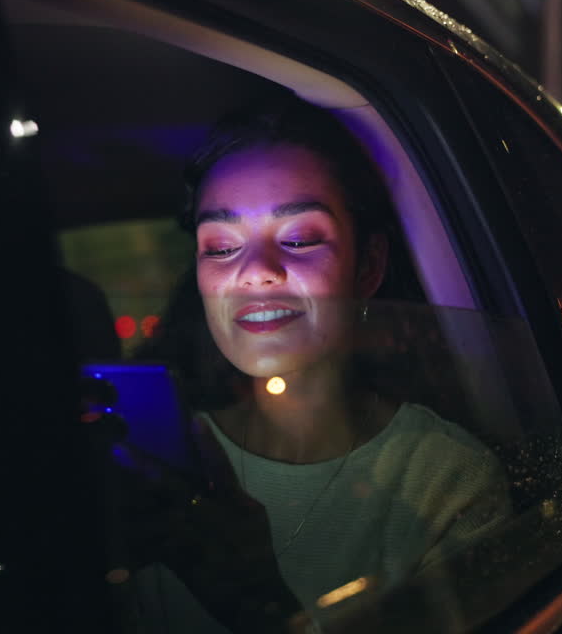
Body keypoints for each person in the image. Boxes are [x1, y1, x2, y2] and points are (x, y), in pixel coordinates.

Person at [115, 93, 511, 633]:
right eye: (221, 246)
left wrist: (257, 599)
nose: (256, 271)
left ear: (368, 267)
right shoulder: (167, 466)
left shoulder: (445, 483)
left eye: (299, 238)